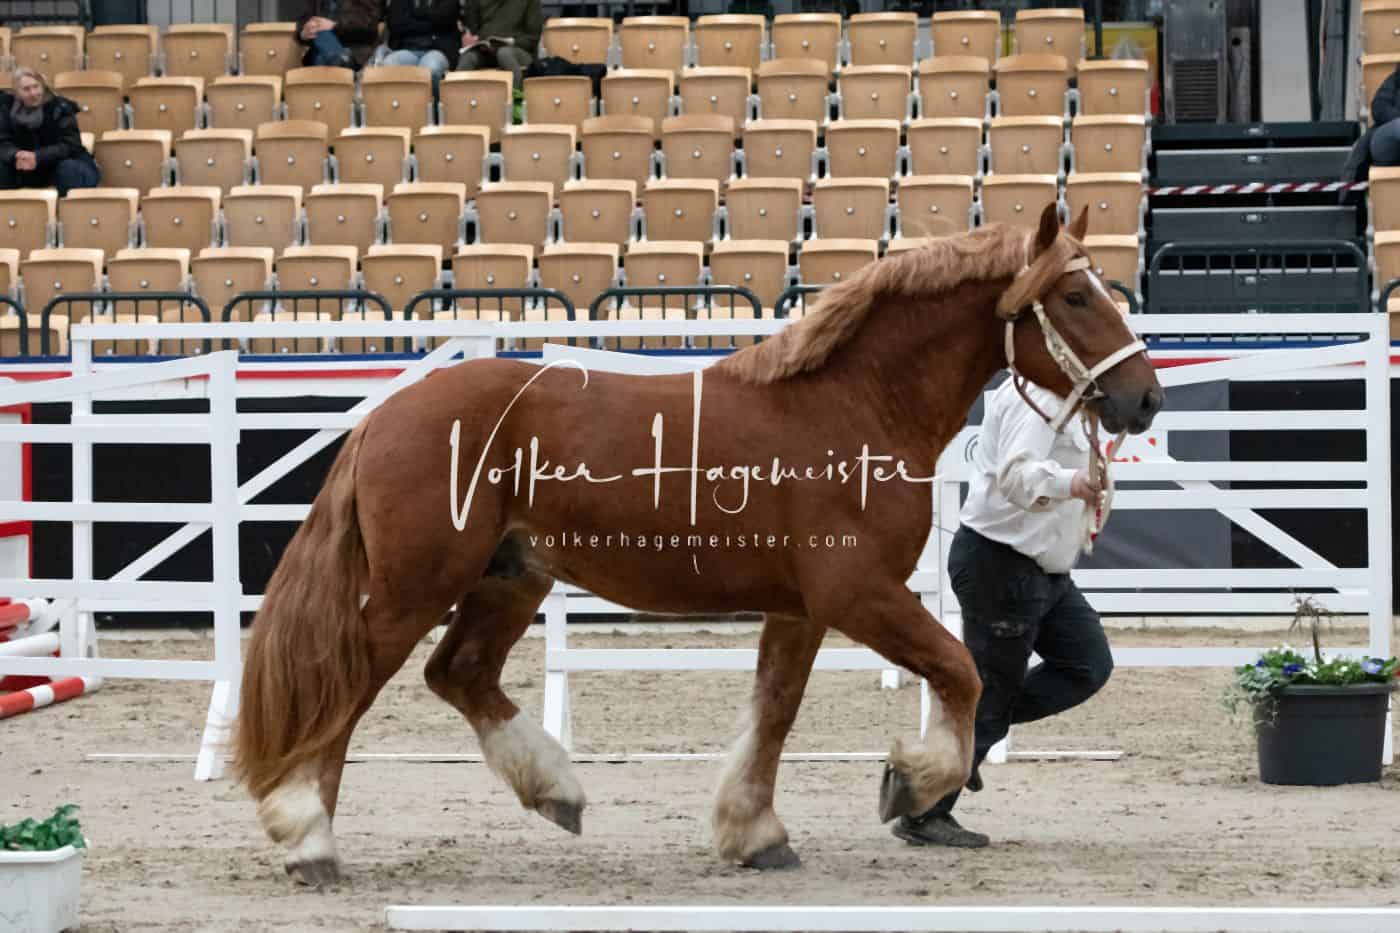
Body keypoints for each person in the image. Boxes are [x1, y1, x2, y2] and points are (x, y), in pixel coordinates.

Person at [891, 377, 1116, 849]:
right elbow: (1016, 475)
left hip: (1043, 570)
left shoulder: (1073, 397)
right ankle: (923, 808)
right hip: (1002, 565)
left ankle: (955, 751)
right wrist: (1072, 483)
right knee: (991, 694)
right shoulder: (1038, 397)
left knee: (1086, 665)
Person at [0, 68, 100, 197]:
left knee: (68, 170)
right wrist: (16, 154)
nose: (33, 93)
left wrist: (38, 156)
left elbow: (71, 144)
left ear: (42, 87)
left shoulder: (60, 107)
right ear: (17, 93)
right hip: (23, 166)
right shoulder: (6, 109)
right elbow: (2, 141)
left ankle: (70, 207)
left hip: (60, 162)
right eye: (26, 89)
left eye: (36, 87)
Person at [374, 0, 465, 90]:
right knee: (389, 65)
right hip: (407, 48)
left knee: (431, 69)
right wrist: (430, 23)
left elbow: (445, 17)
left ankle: (431, 100)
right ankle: (403, 100)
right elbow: (396, 24)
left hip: (438, 50)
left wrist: (414, 15)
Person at [457, 0, 543, 90]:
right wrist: (473, 39)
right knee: (468, 58)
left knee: (504, 53)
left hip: (519, 50)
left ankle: (515, 95)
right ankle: (456, 96)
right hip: (486, 50)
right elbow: (473, 30)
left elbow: (533, 38)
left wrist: (511, 42)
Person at [296, 0, 381, 70]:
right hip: (322, 50)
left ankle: (338, 57)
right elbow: (303, 22)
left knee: (322, 60)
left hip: (356, 52)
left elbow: (370, 23)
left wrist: (334, 26)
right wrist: (303, 33)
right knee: (321, 32)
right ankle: (339, 57)